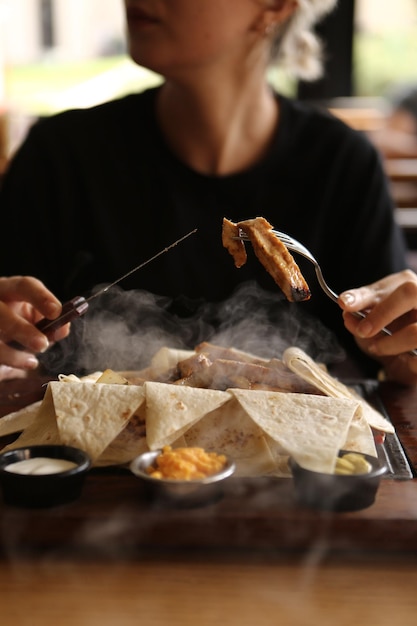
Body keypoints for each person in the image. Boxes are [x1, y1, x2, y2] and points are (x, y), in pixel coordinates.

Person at [0, 0, 417, 386]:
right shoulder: (59, 155)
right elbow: (14, 335)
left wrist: (401, 350)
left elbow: (390, 357)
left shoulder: (343, 164)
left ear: (274, 4)